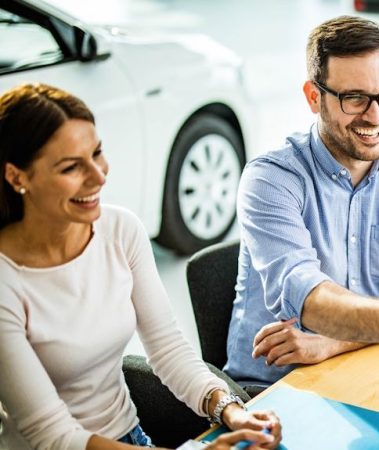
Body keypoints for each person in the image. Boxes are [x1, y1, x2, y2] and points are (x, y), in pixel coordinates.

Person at [0, 83, 281, 450]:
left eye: (97, 153)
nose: (98, 176)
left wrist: (229, 408)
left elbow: (167, 349)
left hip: (131, 439)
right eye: (71, 167)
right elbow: (52, 435)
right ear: (17, 177)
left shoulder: (120, 229)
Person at [223, 15, 379, 389]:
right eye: (354, 98)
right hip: (270, 391)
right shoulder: (270, 180)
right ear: (313, 97)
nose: (375, 115)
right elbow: (312, 302)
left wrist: (332, 343)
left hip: (365, 370)